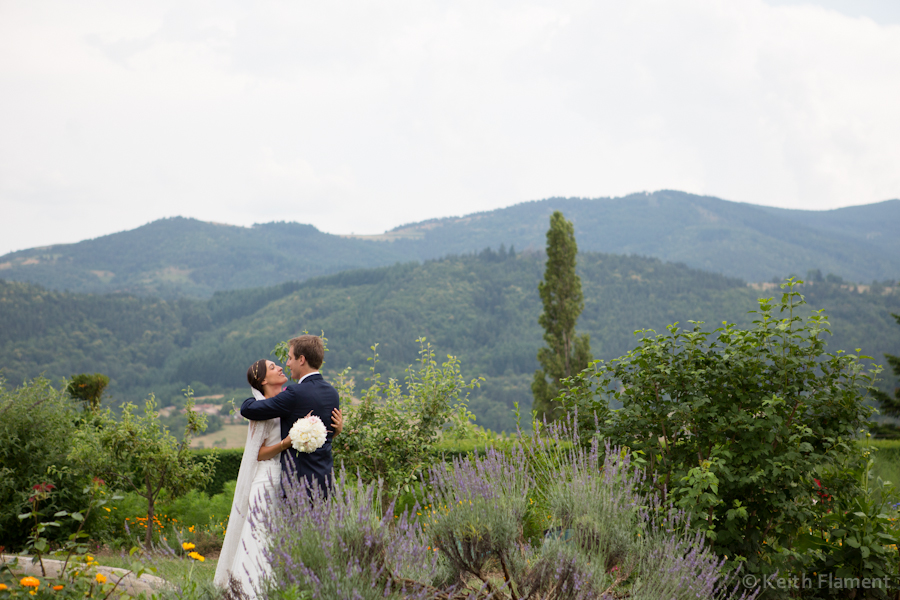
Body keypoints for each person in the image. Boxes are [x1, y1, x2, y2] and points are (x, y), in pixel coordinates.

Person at [213, 356, 342, 597]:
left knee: (277, 541)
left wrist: (335, 430)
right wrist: (284, 443)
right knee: (259, 539)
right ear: (262, 379)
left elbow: (314, 426)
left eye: (281, 363)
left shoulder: (285, 402)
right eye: (273, 367)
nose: (281, 366)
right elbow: (257, 454)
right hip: (265, 480)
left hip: (286, 481)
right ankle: (250, 592)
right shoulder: (261, 407)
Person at [239, 335, 341, 496]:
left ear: (301, 360)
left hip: (298, 485)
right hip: (325, 482)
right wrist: (337, 431)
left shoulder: (294, 393)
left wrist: (249, 400)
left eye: (289, 358)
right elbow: (324, 435)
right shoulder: (332, 393)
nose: (287, 364)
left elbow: (248, 410)